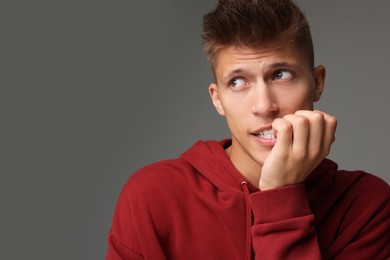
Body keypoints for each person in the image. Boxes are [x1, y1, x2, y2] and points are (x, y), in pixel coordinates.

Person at [106, 0, 390, 259]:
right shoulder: (153, 196)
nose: (265, 106)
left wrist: (281, 198)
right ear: (217, 99)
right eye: (238, 82)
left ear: (317, 83)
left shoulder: (367, 206)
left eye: (281, 75)